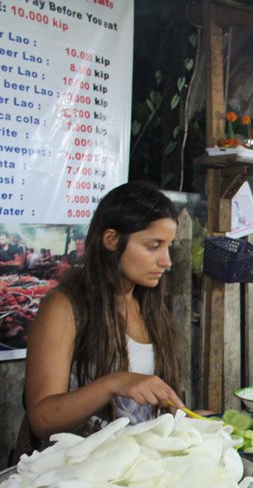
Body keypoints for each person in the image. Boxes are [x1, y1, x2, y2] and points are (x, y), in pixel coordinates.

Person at [24, 181, 185, 445]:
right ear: (112, 240)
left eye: (168, 246)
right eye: (153, 246)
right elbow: (42, 420)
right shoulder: (64, 308)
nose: (166, 261)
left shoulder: (148, 304)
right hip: (77, 474)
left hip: (142, 468)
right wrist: (114, 383)